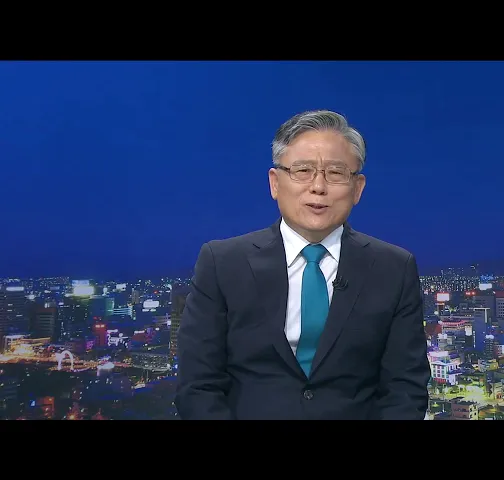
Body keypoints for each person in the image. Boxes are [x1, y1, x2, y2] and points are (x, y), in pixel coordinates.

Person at [175, 109, 431, 420]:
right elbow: (198, 386)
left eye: (335, 172)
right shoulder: (222, 263)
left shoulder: (394, 268)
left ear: (358, 188)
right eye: (303, 170)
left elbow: (405, 389)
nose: (318, 186)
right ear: (275, 183)